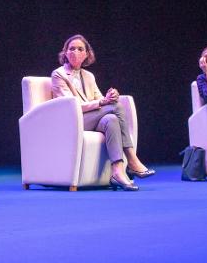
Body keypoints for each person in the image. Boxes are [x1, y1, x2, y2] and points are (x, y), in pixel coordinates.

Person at [51, 34, 155, 191]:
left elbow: (99, 99)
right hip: (72, 120)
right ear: (65, 53)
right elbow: (71, 106)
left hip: (89, 119)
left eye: (80, 49)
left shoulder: (89, 76)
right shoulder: (58, 74)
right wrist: (103, 102)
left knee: (112, 119)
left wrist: (110, 97)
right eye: (71, 49)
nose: (75, 52)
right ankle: (132, 160)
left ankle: (118, 172)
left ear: (86, 54)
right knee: (117, 108)